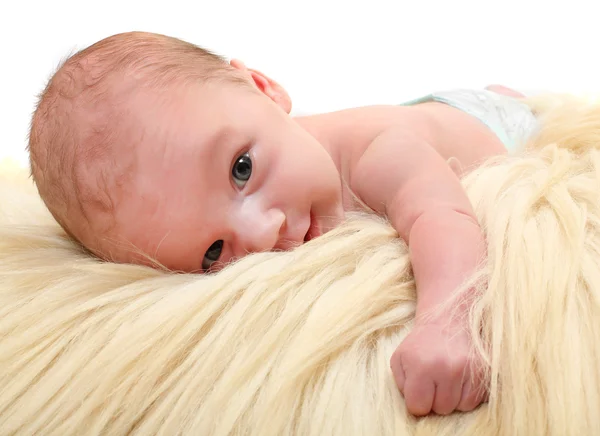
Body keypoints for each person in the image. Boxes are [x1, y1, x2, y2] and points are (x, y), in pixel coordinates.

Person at [27, 31, 539, 417]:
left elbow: (442, 216)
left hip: (484, 123)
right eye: (212, 252)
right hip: (406, 118)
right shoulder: (268, 152)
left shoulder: (379, 156)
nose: (260, 234)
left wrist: (447, 325)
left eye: (241, 169)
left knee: (506, 110)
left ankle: (498, 96)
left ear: (264, 88)